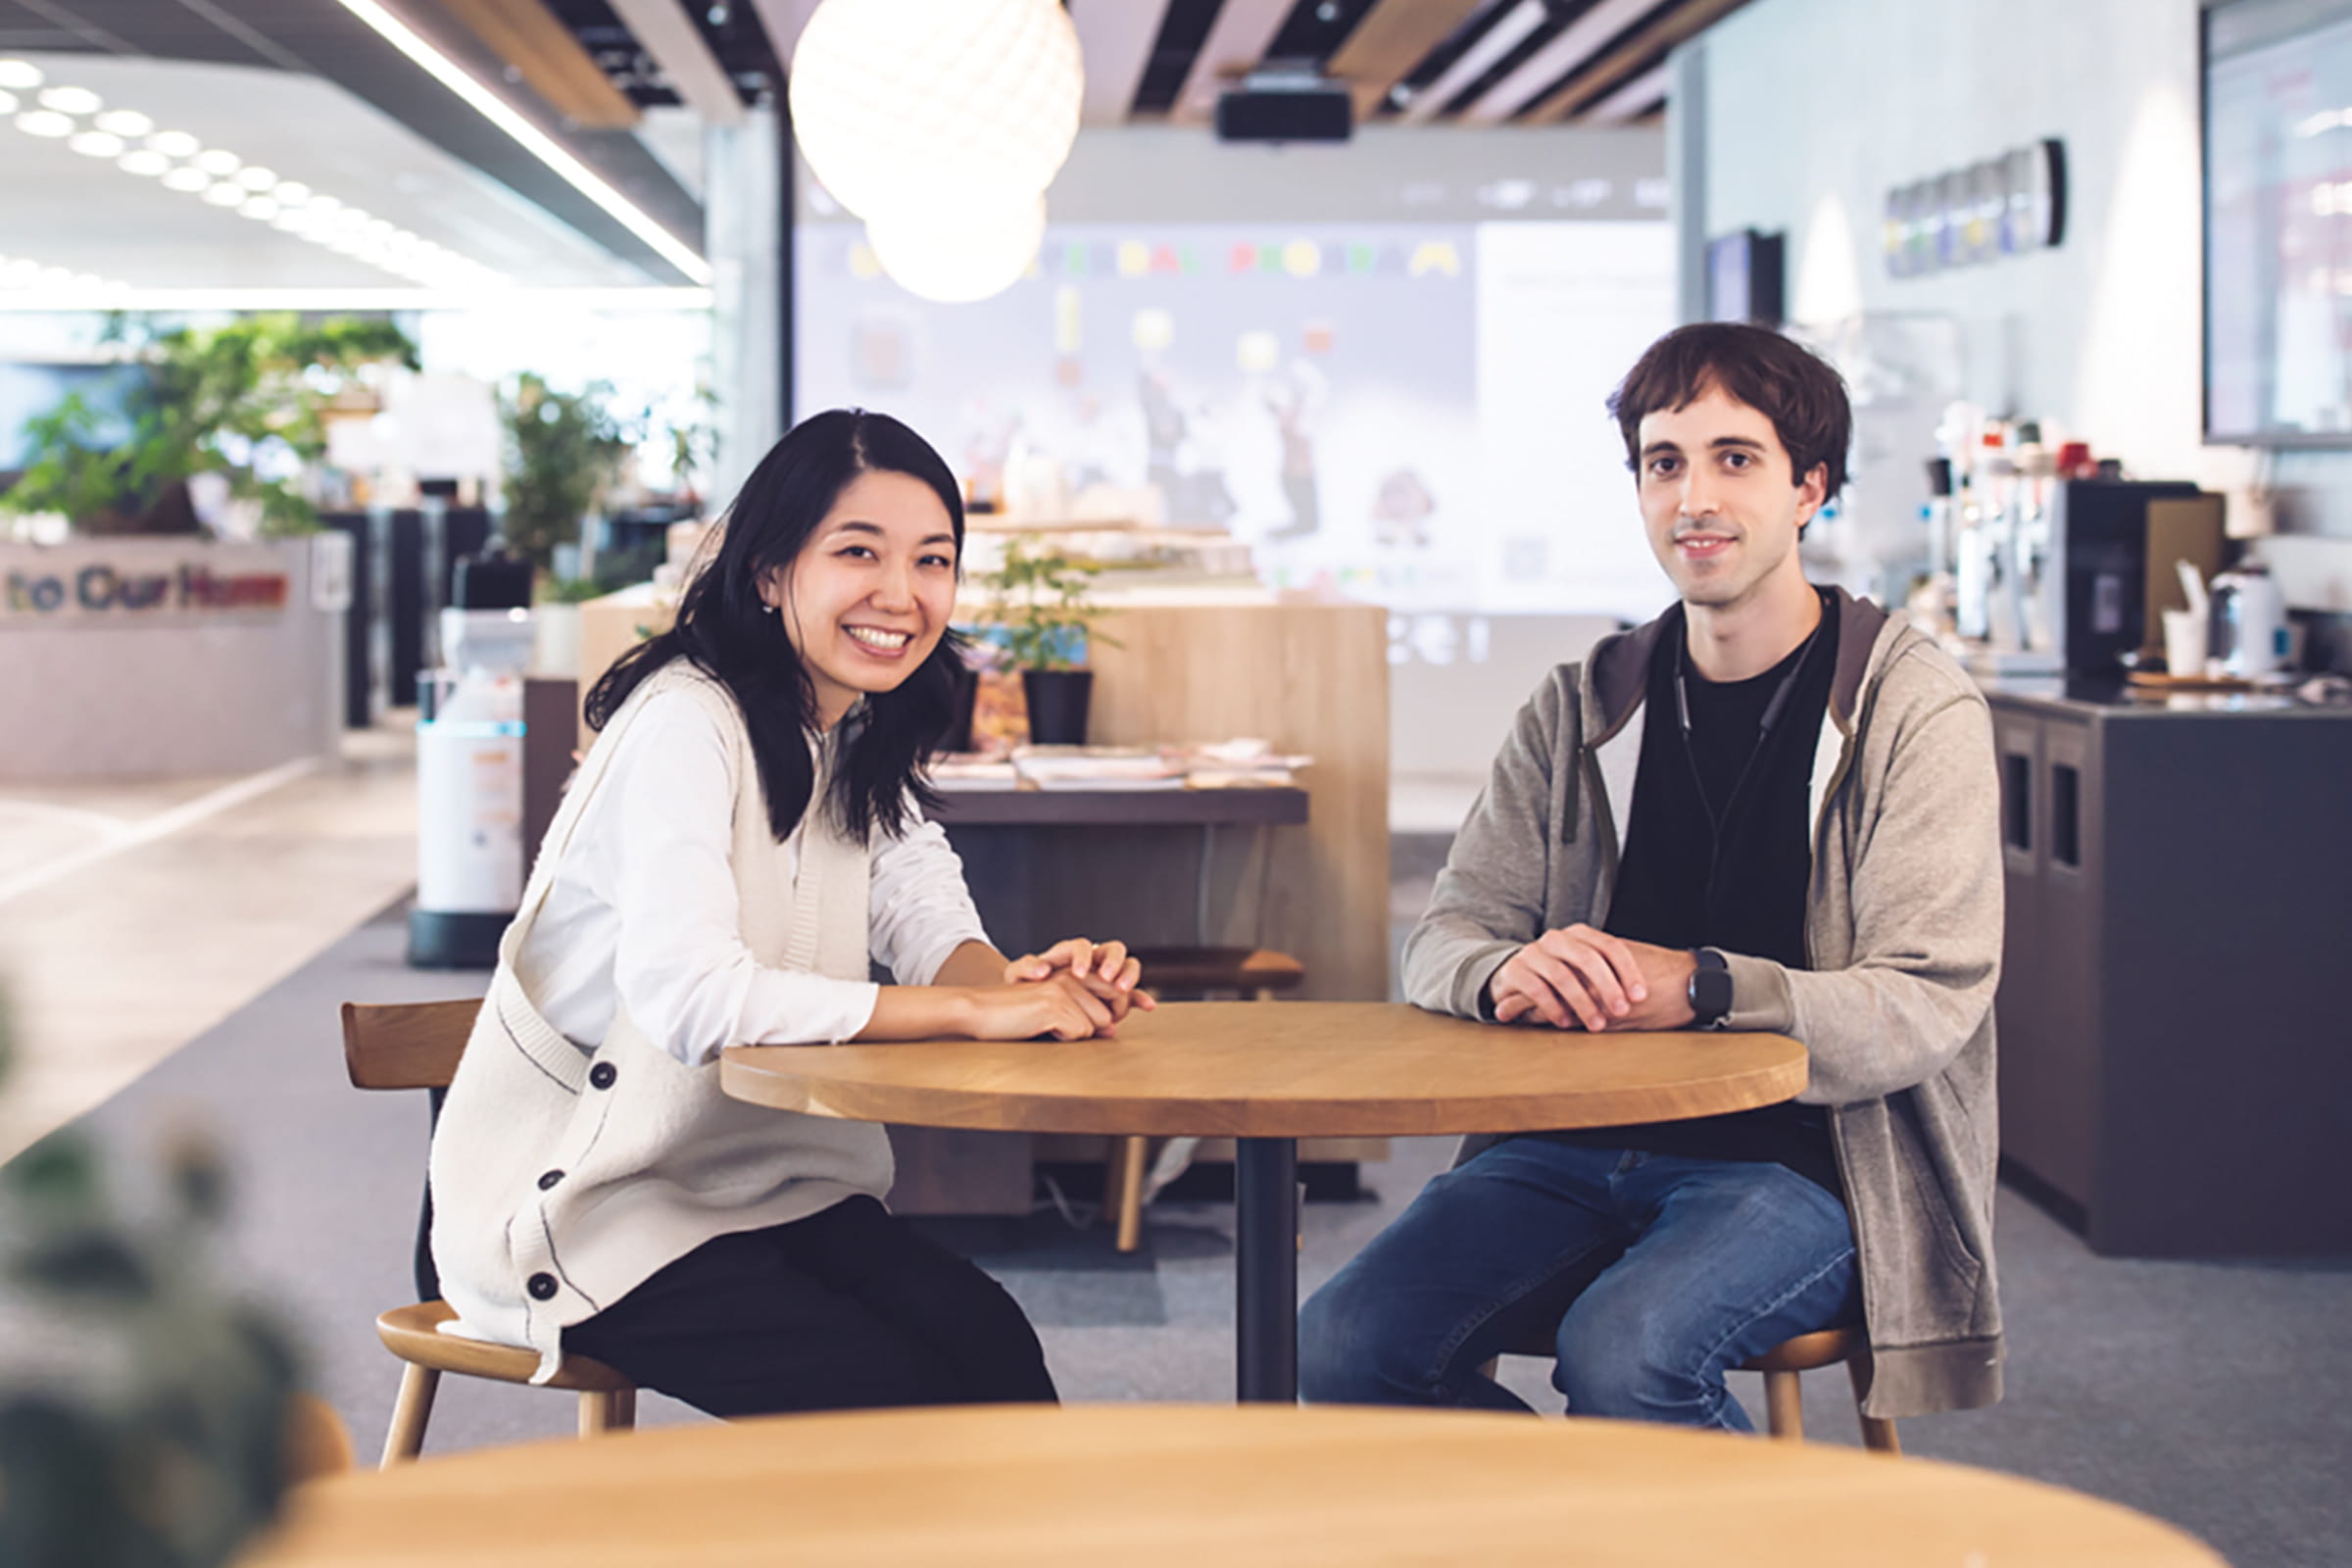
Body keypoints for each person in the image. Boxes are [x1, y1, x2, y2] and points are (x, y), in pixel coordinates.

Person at [1299, 322, 2003, 1430]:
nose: (1694, 499)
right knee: (1343, 1342)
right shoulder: (1583, 699)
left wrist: (1706, 985)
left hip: (1806, 1160)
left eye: (1736, 459)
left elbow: (1925, 1001)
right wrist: (1505, 971)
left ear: (1809, 487)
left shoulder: (1909, 706)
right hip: (1568, 1142)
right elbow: (1444, 936)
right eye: (1664, 462)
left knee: (1627, 1351)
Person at [428, 409, 1151, 1416]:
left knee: (988, 1344)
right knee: (892, 1402)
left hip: (764, 1184)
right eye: (859, 551)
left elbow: (927, 917)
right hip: (584, 1204)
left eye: (932, 560)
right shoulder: (686, 720)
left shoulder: (853, 723)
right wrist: (974, 1015)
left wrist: (1026, 989)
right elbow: (688, 999)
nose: (901, 594)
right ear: (769, 572)